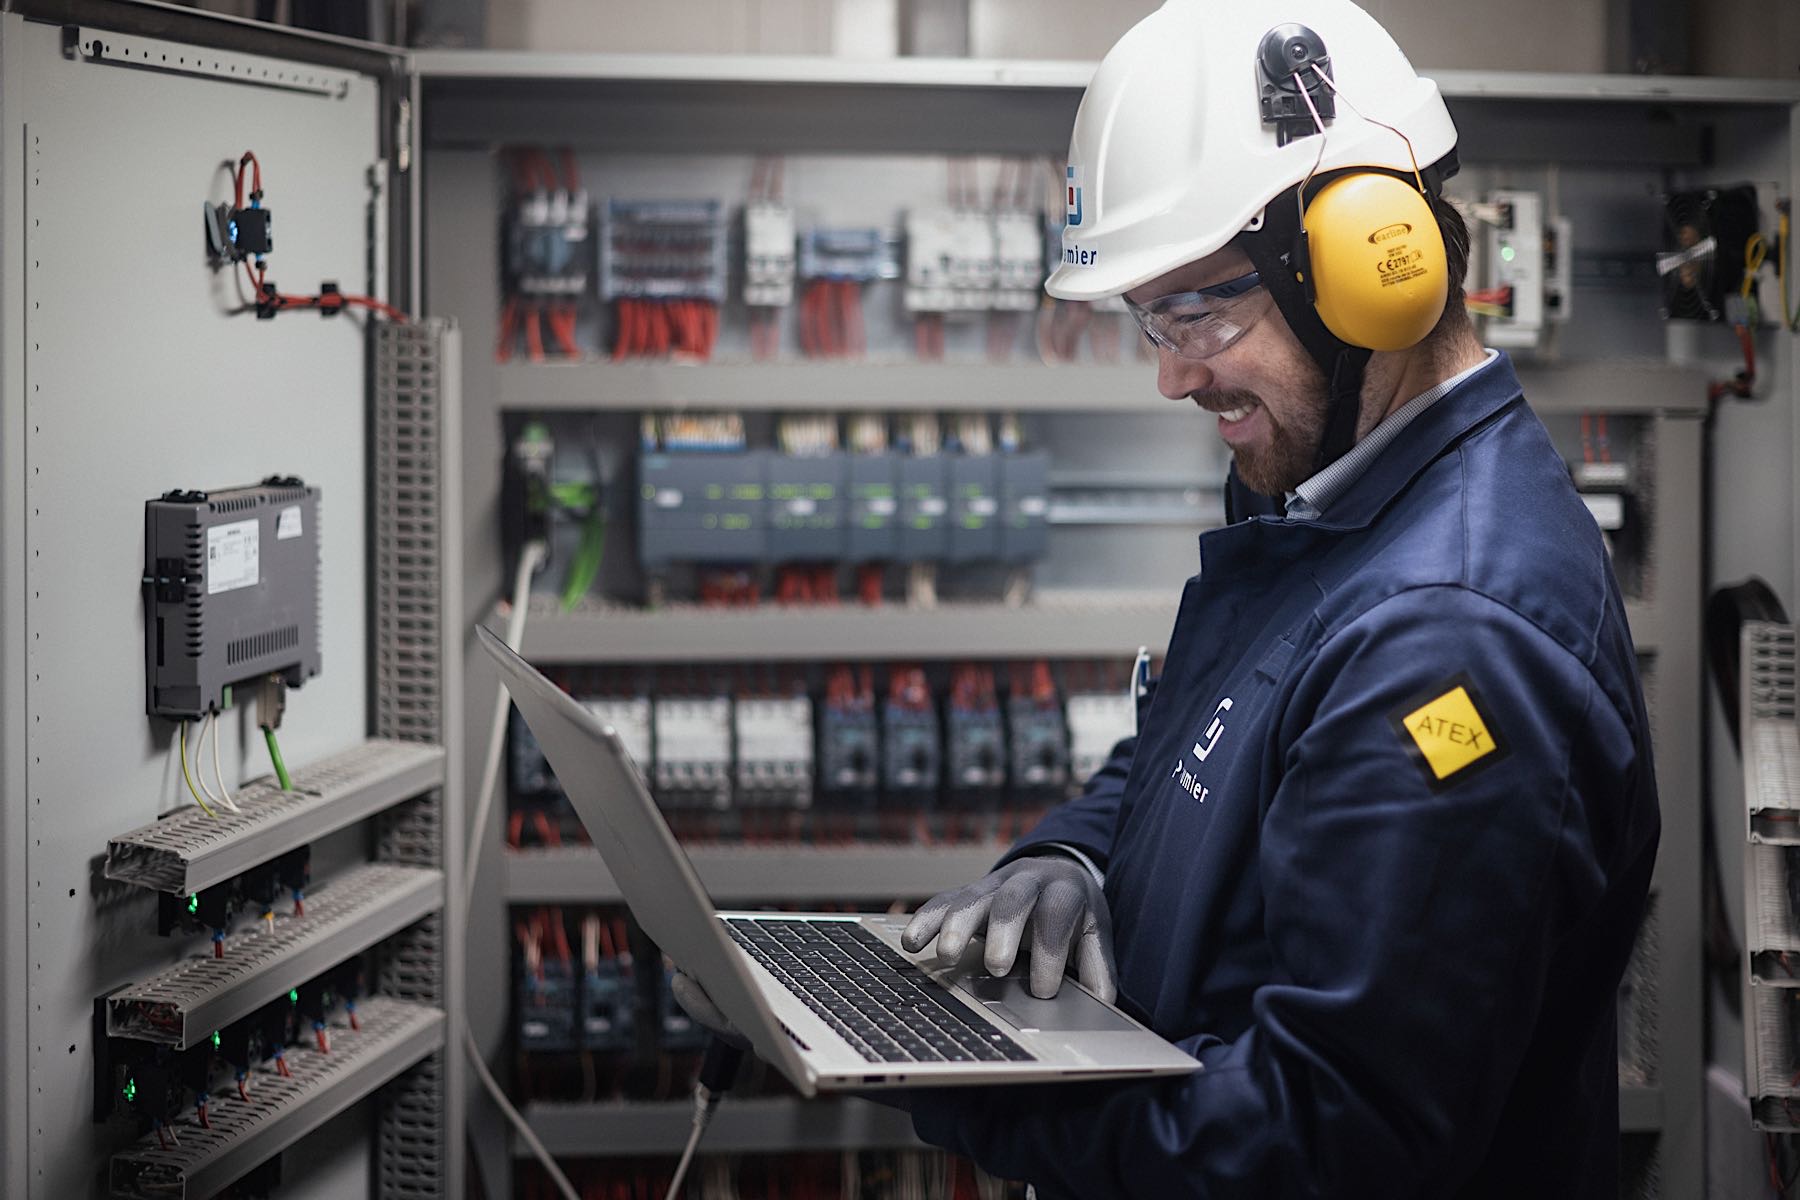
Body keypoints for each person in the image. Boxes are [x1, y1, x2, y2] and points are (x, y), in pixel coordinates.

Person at [682, 1, 1659, 1194]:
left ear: (1370, 258)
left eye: (1198, 310)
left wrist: (927, 1064)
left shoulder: (1450, 637)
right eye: (1151, 318)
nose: (1170, 372)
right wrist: (1070, 861)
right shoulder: (1330, 505)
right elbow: (1191, 742)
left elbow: (1321, 1150)